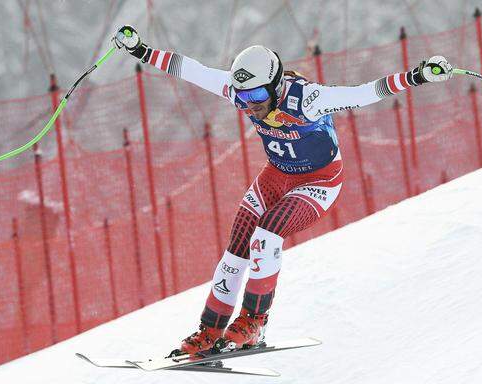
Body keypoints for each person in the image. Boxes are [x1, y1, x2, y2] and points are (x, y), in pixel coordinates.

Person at [113, 25, 453, 354]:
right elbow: (191, 70)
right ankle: (211, 329)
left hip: (319, 182)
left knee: (267, 235)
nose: (251, 105)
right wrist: (140, 50)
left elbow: (363, 93)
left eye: (258, 95)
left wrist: (417, 75)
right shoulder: (241, 91)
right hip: (276, 176)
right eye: (243, 98)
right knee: (236, 249)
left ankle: (253, 322)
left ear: (275, 86)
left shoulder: (308, 99)